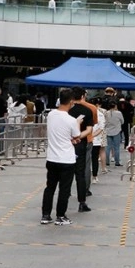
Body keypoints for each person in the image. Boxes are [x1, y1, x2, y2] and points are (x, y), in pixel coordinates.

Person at [40, 89, 82, 226]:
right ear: (71, 102)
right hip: (66, 159)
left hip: (52, 158)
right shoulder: (71, 120)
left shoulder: (51, 115)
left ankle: (46, 215)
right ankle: (60, 215)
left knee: (50, 187)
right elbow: (77, 136)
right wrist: (79, 123)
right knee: (64, 189)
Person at [68, 87, 94, 213]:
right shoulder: (88, 110)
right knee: (80, 174)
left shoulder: (67, 111)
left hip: (66, 145)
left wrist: (71, 138)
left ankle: (65, 195)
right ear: (83, 96)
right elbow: (89, 130)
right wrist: (78, 137)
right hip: (81, 145)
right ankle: (82, 202)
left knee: (66, 173)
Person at [72, 87, 98, 196]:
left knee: (68, 165)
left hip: (68, 141)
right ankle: (85, 190)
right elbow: (94, 123)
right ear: (83, 96)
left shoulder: (67, 108)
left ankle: (66, 190)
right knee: (86, 166)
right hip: (87, 139)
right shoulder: (91, 108)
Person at [91, 98, 106, 183]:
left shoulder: (100, 114)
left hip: (92, 139)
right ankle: (94, 176)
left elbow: (101, 127)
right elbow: (101, 128)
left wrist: (90, 135)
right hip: (95, 139)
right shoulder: (101, 114)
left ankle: (94, 175)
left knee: (93, 158)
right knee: (94, 158)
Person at [105, 101, 124, 167]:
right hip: (117, 131)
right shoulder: (119, 113)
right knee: (117, 147)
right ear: (115, 106)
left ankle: (107, 161)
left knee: (107, 147)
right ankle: (117, 161)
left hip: (108, 131)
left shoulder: (106, 113)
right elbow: (122, 121)